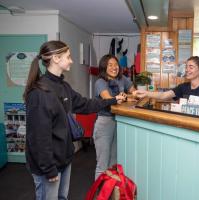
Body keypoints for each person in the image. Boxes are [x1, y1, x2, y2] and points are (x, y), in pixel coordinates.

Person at [23, 41, 125, 200]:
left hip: (64, 158)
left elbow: (85, 104)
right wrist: (49, 168)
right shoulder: (39, 92)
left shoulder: (63, 86)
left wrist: (112, 100)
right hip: (49, 164)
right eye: (68, 57)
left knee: (62, 197)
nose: (71, 61)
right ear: (56, 58)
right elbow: (38, 137)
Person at [93, 54, 136, 179]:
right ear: (104, 67)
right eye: (110, 65)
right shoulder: (100, 82)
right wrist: (124, 97)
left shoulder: (123, 79)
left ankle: (110, 193)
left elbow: (135, 94)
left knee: (113, 163)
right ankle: (99, 196)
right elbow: (108, 99)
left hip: (119, 121)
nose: (114, 67)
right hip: (105, 123)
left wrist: (126, 96)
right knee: (102, 165)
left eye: (116, 64)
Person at [133, 56, 199, 100]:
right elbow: (163, 95)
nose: (186, 70)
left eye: (191, 67)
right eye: (186, 67)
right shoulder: (183, 86)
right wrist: (146, 93)